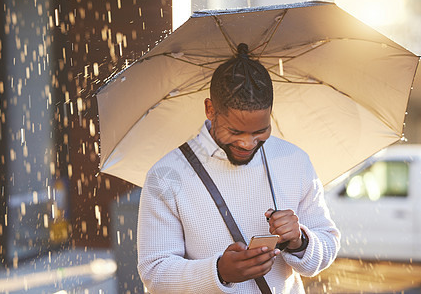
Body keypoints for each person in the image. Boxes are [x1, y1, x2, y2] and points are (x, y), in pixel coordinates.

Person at [137, 43, 340, 293]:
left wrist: (300, 241)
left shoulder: (294, 160)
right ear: (210, 109)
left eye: (260, 131)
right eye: (235, 131)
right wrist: (219, 272)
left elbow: (328, 245)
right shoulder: (166, 175)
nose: (247, 143)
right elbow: (155, 273)